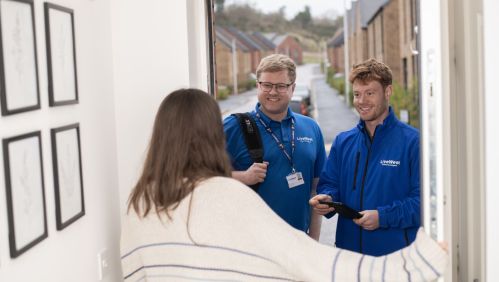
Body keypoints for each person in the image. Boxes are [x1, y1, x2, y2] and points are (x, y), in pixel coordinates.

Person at [121, 88, 447, 282]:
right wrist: (420, 262)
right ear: (212, 135)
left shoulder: (139, 205)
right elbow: (316, 265)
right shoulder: (227, 196)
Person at [309, 58, 420, 256]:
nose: (362, 101)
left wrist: (382, 217)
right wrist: (328, 199)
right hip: (349, 257)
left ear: (388, 92)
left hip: (394, 259)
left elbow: (423, 203)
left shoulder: (413, 142)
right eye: (357, 94)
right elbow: (329, 184)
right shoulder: (343, 142)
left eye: (370, 93)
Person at [223, 54, 325, 239]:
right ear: (258, 86)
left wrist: (314, 241)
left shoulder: (311, 128)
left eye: (280, 86)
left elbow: (315, 191)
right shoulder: (235, 126)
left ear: (292, 88)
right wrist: (243, 177)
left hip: (299, 243)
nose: (273, 92)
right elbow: (200, 175)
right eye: (267, 85)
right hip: (252, 246)